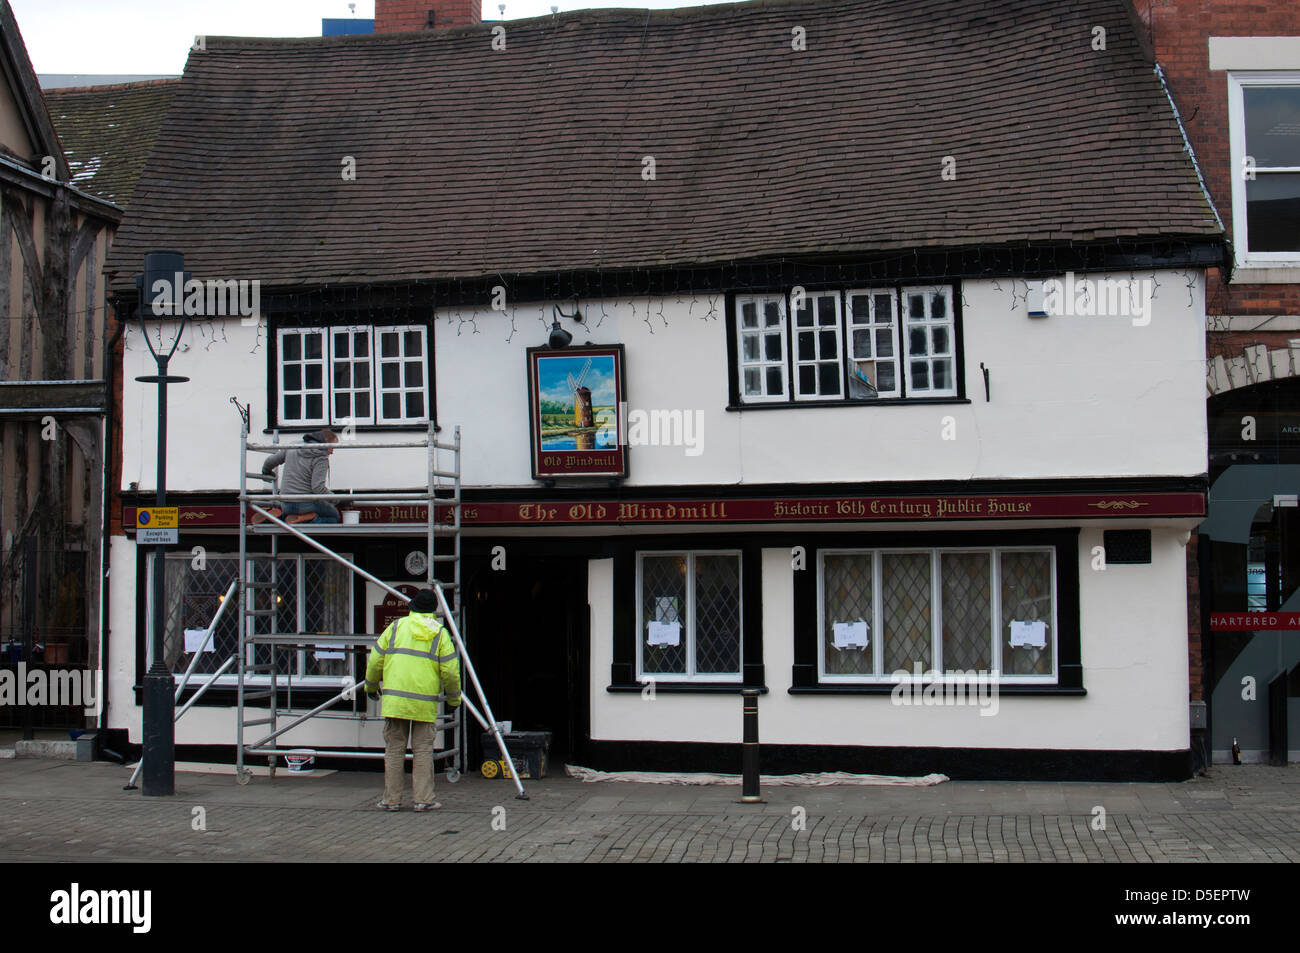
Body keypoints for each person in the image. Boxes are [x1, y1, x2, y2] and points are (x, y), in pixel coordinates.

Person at [364, 588, 462, 811]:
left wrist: (371, 686)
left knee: (395, 751)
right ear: (433, 611)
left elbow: (375, 661)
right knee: (423, 751)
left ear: (413, 607)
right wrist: (453, 699)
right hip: (424, 703)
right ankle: (423, 800)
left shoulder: (396, 627)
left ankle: (391, 801)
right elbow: (450, 671)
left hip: (396, 702)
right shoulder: (439, 633)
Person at [258, 429, 340, 523]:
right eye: (332, 447)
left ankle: (279, 518)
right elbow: (318, 488)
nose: (332, 452)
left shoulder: (293, 446)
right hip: (305, 504)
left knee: (294, 512)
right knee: (334, 516)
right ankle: (307, 519)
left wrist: (266, 472)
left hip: (285, 503)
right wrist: (338, 500)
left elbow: (270, 461)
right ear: (325, 442)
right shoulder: (321, 458)